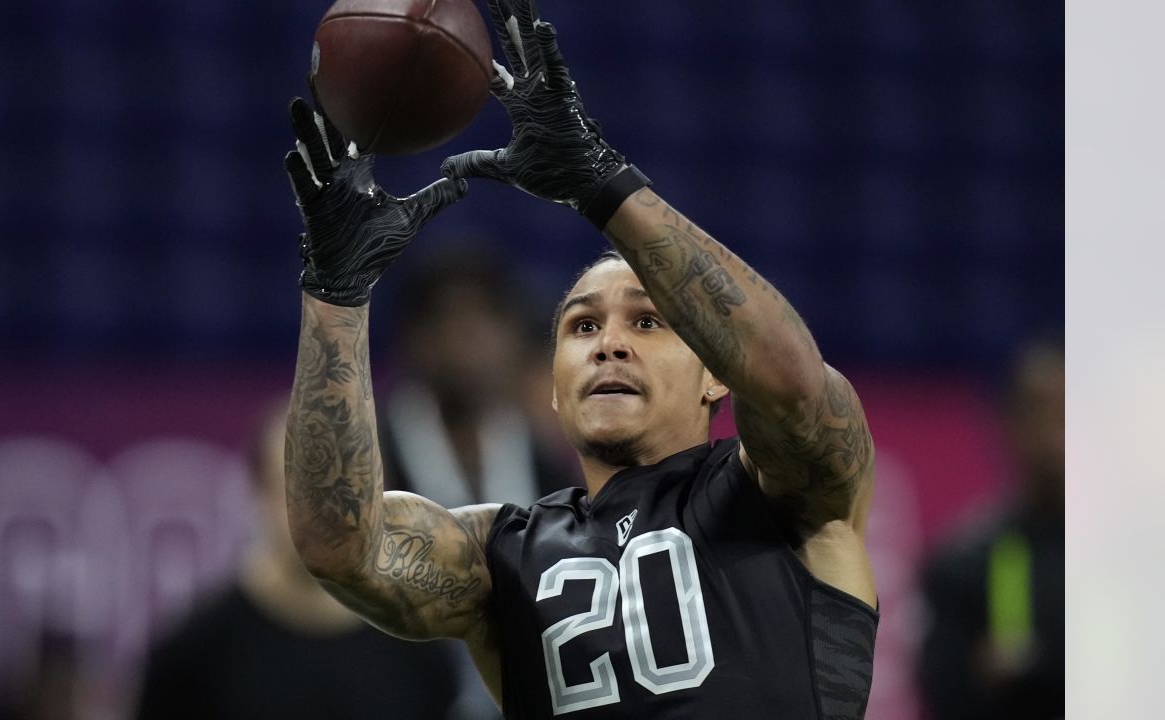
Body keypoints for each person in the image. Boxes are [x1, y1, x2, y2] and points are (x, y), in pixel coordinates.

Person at [280, 0, 878, 717]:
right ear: (554, 390)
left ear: (716, 372)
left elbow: (791, 380)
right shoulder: (500, 555)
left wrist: (599, 181)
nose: (610, 342)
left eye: (648, 320)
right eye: (582, 326)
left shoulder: (782, 496)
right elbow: (341, 548)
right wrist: (337, 294)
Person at [135, 403, 459, 720]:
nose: (326, 515)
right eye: (302, 492)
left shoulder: (420, 651)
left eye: (346, 490)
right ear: (258, 494)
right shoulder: (193, 654)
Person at [917, 338, 1064, 720]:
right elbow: (942, 692)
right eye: (1042, 413)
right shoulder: (965, 559)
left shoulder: (1132, 561)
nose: (1056, 437)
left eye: (1068, 413)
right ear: (1009, 424)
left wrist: (1030, 671)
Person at [381, 248, 578, 510]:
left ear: (512, 336)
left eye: (480, 325)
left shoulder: (544, 461)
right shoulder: (373, 450)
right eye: (448, 323)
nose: (466, 344)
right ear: (413, 337)